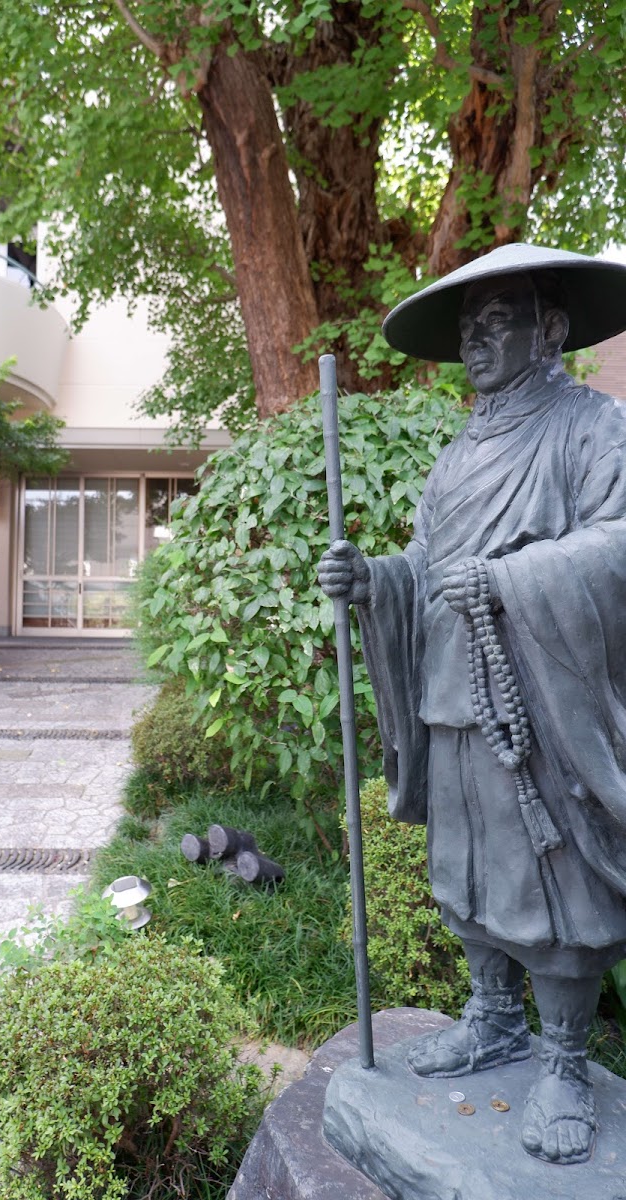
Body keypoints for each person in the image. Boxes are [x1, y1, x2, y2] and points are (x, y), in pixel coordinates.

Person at [318, 243, 626, 1166]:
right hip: (456, 694)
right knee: (466, 869)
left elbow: (618, 543)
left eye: (497, 323)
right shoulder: (459, 453)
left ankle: (565, 1061)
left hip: (540, 700)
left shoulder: (591, 427)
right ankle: (492, 1017)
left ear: (552, 328)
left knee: (550, 881)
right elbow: (427, 568)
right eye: (468, 328)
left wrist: (510, 579)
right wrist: (374, 581)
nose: (476, 341)